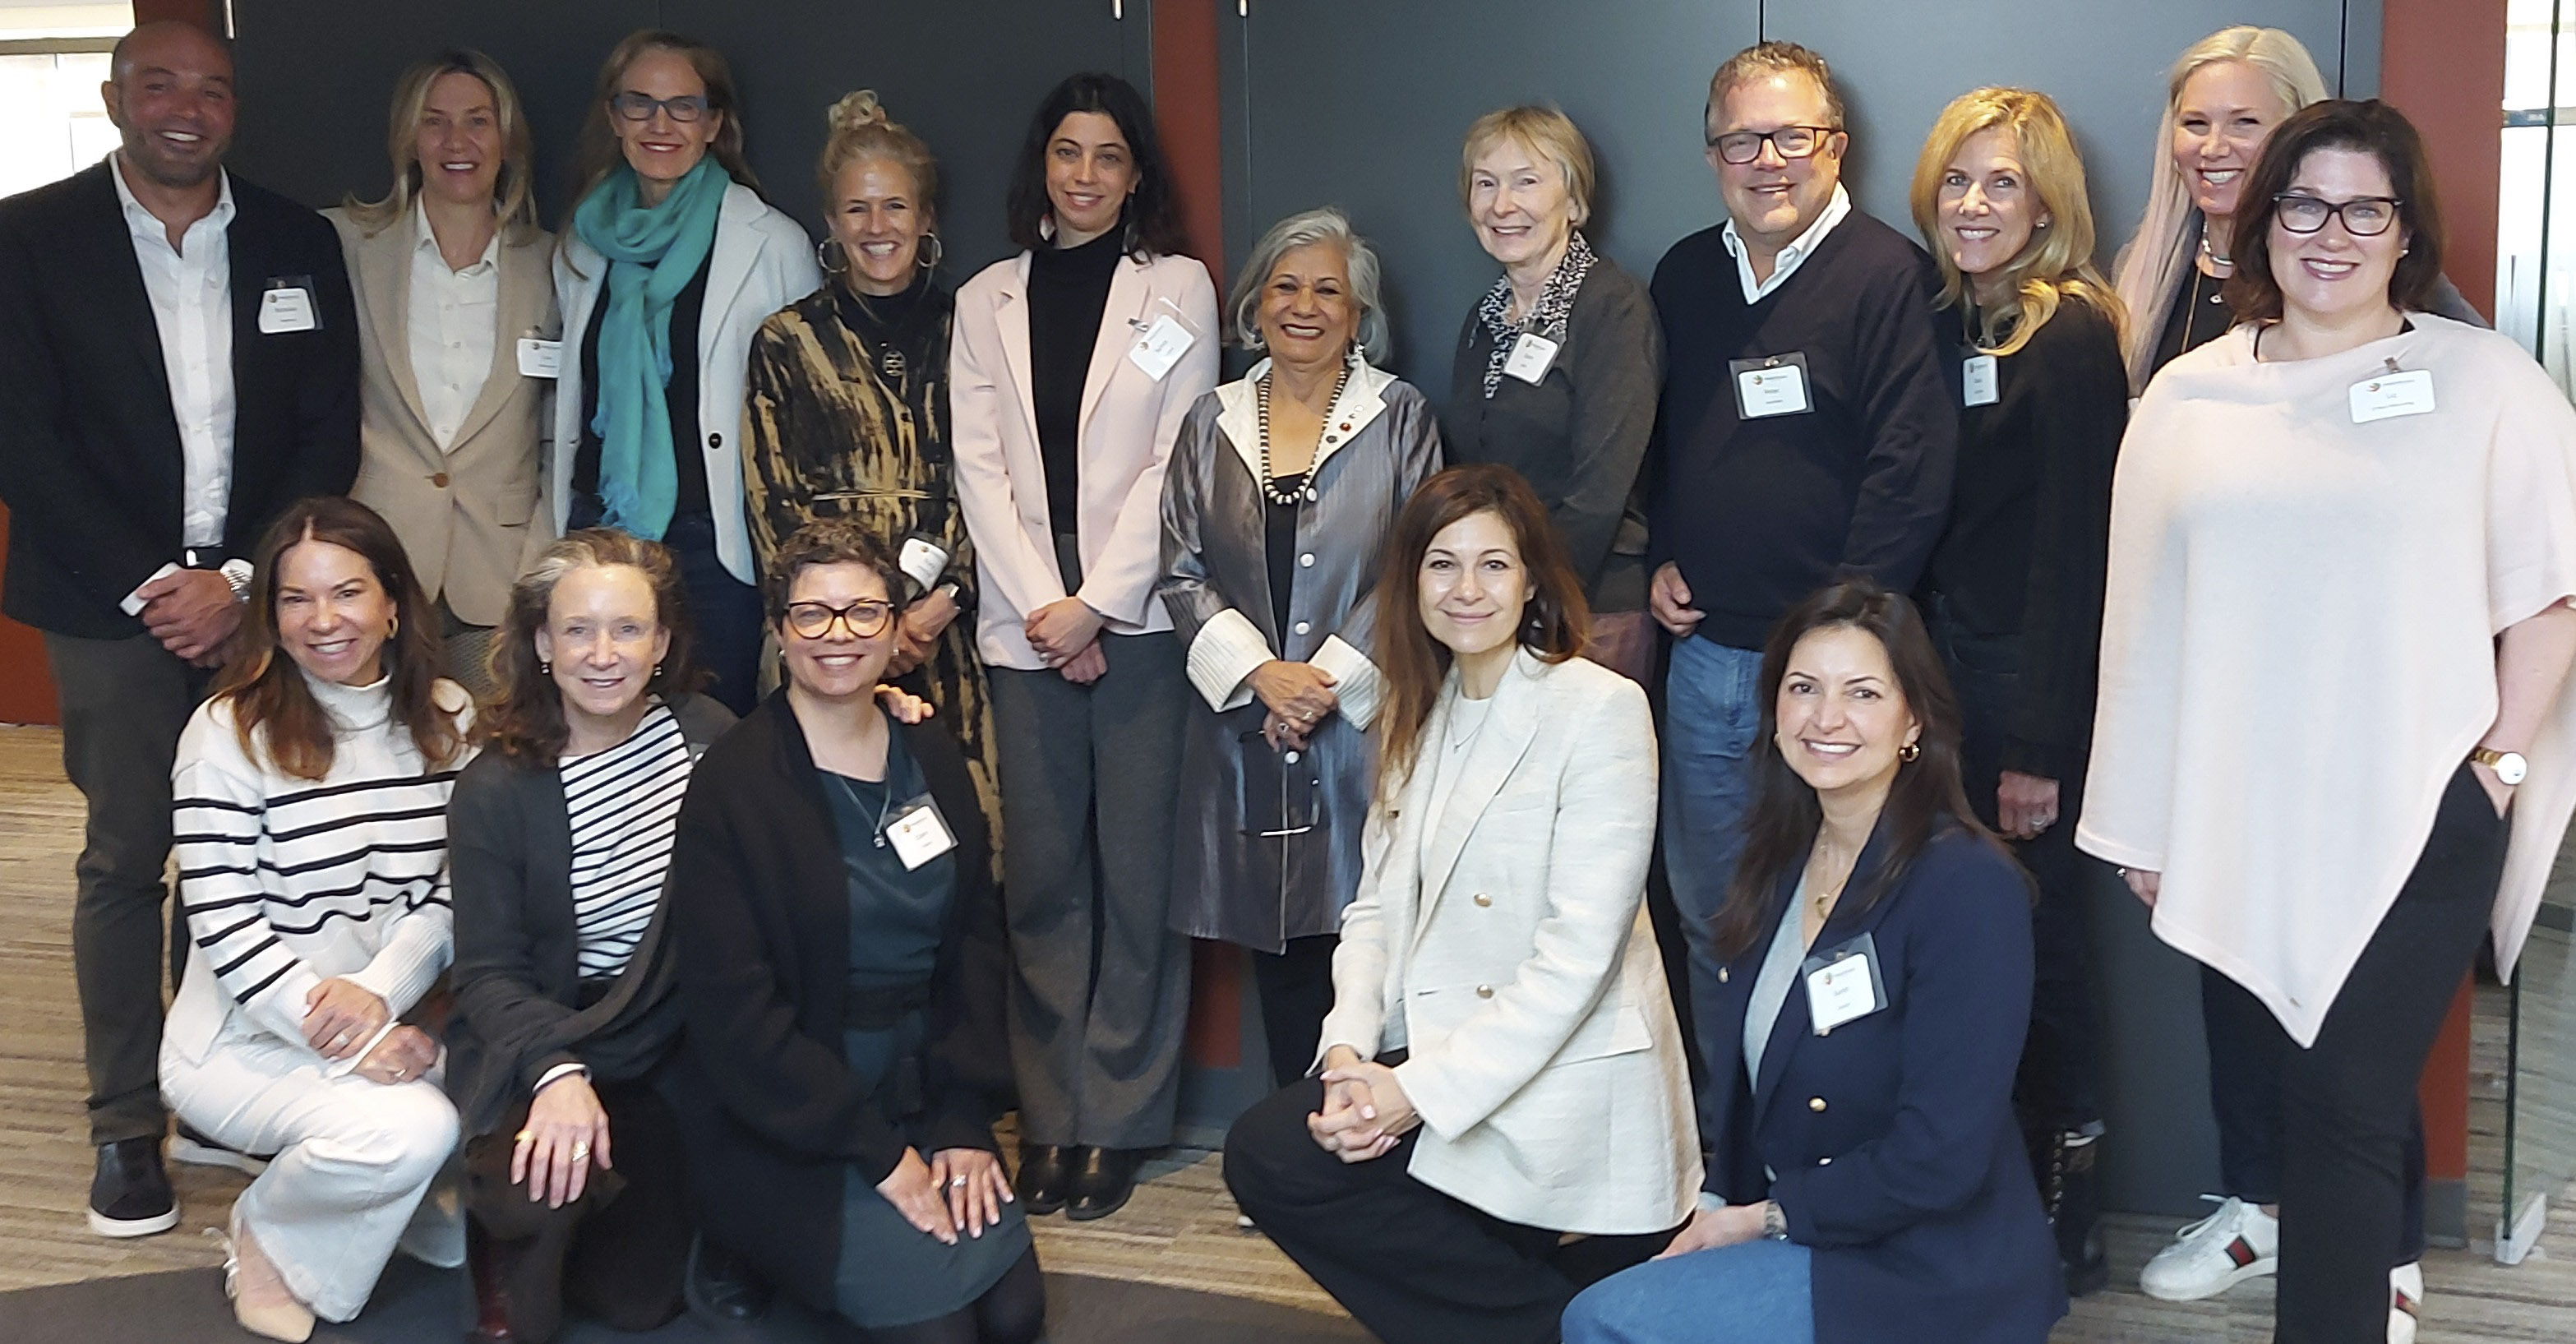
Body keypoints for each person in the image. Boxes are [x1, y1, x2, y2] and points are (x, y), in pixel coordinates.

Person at [2080, 100, 2576, 1344]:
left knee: (2346, 1105)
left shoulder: (2486, 384)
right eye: (2304, 204)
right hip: (2242, 816)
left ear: (2404, 227)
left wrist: (2499, 766)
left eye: (2366, 207)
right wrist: (2143, 821)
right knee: (2296, 1107)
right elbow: (2142, 628)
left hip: (2423, 811)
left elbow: (2553, 595)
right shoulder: (2188, 398)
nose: (2331, 233)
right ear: (2265, 219)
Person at [0, 19, 358, 1239]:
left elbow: (325, 426)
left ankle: (211, 1083)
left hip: (260, 603)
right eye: (159, 84)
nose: (184, 109)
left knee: (236, 861)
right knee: (125, 855)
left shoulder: (293, 238)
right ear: (115, 97)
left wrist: (247, 576)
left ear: (234, 108)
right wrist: (163, 580)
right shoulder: (27, 238)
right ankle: (122, 1126)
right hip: (112, 608)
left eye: (210, 89)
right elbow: (25, 443)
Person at [1224, 464, 1701, 1344]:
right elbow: (1372, 913)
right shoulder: (1414, 717)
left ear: (1531, 585)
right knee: (1270, 1151)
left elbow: (1576, 960)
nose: (1466, 589)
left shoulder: (1599, 708)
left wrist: (1412, 1093)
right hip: (1446, 1052)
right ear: (1411, 585)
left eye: (1493, 565)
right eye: (1442, 565)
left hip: (1565, 1073)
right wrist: (1344, 1055)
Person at [1561, 580, 2066, 1344]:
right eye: (1803, 688)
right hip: (1801, 1230)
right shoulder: (1777, 862)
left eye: (1862, 692)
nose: (1826, 718)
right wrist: (1714, 1209)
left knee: (1603, 1321)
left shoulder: (1966, 885)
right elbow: (1747, 1089)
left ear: (1913, 721)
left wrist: (1763, 1219)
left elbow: (1941, 1156)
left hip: (1917, 1267)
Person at [1645, 39, 1955, 1137]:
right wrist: (1661, 551)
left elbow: (1907, 475)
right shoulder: (1684, 274)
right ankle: (1731, 1149)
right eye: (1741, 138)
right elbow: (1663, 440)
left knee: (1837, 915)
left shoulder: (1890, 275)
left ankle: (1828, 1149)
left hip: (1834, 684)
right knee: (1709, 915)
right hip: (1709, 666)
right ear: (1711, 150)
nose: (1765, 159)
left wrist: (1834, 654)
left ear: (1836, 146)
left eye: (1790, 136)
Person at [667, 520, 1044, 1344]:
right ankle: (750, 1244)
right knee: (943, 1332)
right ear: (777, 631)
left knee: (1014, 1318)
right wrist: (876, 1154)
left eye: (863, 612)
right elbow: (739, 1021)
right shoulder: (732, 785)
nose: (838, 635)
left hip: (922, 1088)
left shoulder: (929, 749)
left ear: (893, 627)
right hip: (795, 1113)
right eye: (813, 615)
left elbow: (975, 941)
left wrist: (958, 1120)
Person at [949, 71, 1219, 1221]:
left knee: (1138, 874)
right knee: (1046, 883)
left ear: (1135, 174)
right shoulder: (983, 298)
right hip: (1024, 625)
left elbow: (1179, 455)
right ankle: (1050, 1113)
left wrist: (1097, 604)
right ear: (1041, 165)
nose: (1086, 175)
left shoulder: (1180, 290)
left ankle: (1116, 1119)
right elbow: (979, 469)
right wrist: (1045, 607)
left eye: (1109, 156)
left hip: (1140, 621)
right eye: (1068, 152)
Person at [1906, 86, 2128, 1296]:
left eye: (2001, 181)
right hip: (1941, 688)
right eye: (1956, 180)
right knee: (1967, 950)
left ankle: (2070, 1208)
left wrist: (2037, 743)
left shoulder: (2073, 333)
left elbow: (2073, 554)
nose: (1974, 203)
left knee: (2040, 955)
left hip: (2021, 701)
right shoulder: (1956, 321)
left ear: (2047, 198)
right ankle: (1980, 1194)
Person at [159, 496, 474, 1341]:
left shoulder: (449, 718)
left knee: (509, 1074)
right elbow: (224, 925)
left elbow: (451, 895)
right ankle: (264, 1236)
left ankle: (383, 1204)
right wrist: (358, 1038)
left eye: (347, 593)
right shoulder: (227, 732)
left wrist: (378, 997)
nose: (323, 620)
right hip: (243, 1039)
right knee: (415, 1129)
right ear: (270, 614)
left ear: (393, 603)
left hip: (385, 1015)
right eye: (296, 599)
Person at [1158, 206, 1442, 1088]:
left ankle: (1365, 1140)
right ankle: (1295, 1143)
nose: (1304, 306)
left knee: (1367, 932)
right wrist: (1260, 677)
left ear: (1358, 314)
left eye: (1328, 290)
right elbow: (1178, 566)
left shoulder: (1399, 418)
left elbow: (1419, 559)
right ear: (1255, 305)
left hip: (1360, 728)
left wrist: (1324, 683)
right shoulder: (1210, 420)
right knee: (1276, 940)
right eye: (1285, 286)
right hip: (1245, 727)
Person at [444, 530, 734, 1342]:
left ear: (662, 642)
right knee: (532, 1191)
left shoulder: (705, 735)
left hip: (669, 1034)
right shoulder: (495, 786)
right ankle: (499, 1239)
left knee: (640, 1304)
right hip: (548, 1028)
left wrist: (883, 702)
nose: (603, 654)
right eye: (577, 630)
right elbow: (488, 973)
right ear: (540, 644)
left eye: (628, 629)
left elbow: (800, 779)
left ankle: (617, 1202)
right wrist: (555, 1071)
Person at [745, 90, 1000, 849]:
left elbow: (993, 477)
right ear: (831, 223)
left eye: (895, 207)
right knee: (830, 841)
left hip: (947, 630)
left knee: (965, 837)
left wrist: (935, 603)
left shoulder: (975, 328)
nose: (877, 227)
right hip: (826, 634)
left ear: (926, 220)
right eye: (858, 210)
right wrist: (858, 620)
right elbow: (772, 501)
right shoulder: (786, 341)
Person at [551, 29, 822, 716]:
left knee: (715, 738)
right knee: (603, 741)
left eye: (683, 107)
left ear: (714, 124)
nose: (660, 124)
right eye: (640, 105)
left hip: (712, 544)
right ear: (614, 118)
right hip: (601, 536)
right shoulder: (582, 242)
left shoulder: (772, 243)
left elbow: (803, 418)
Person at [327, 49, 558, 699]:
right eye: (435, 122)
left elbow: (557, 435)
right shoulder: (344, 246)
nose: (458, 142)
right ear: (408, 138)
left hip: (501, 576)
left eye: (479, 121)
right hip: (371, 568)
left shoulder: (556, 265)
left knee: (491, 769)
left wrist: (538, 570)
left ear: (507, 137)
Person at [2112, 25, 2482, 391]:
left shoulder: (2370, 271)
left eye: (2245, 123)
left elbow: (2474, 385)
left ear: (2299, 135)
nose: (2213, 148)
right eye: (2195, 124)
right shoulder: (2140, 270)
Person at [1442, 105, 1661, 683]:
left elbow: (1601, 490)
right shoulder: (1484, 317)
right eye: (1485, 184)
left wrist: (1534, 596)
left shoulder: (1611, 307)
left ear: (1574, 200)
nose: (1502, 205)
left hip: (1586, 610)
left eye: (1527, 181)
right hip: (1498, 606)